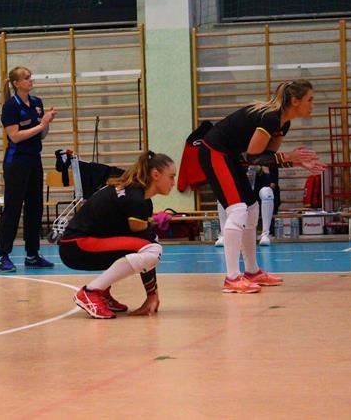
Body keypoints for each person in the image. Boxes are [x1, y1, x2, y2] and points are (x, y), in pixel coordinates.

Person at [199, 80, 325, 293]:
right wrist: (289, 157)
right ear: (295, 101)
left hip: (230, 156)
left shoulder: (283, 123)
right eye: (310, 99)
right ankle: (232, 278)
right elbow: (253, 156)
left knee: (252, 208)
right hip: (215, 153)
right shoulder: (270, 118)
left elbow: (265, 158)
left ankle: (252, 271)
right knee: (238, 210)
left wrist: (294, 161)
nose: (313, 104)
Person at [59, 151, 175, 319]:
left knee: (148, 245)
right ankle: (90, 292)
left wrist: (151, 295)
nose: (173, 183)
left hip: (79, 244)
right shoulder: (136, 200)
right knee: (152, 249)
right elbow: (147, 245)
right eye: (171, 177)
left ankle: (103, 292)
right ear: (156, 175)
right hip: (77, 246)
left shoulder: (135, 193)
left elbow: (141, 242)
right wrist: (152, 294)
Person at [0, 66, 56, 273]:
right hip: (16, 163)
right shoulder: (10, 106)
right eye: (26, 78)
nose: (31, 80)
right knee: (13, 208)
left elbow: (41, 135)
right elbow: (15, 136)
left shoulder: (37, 103)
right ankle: (3, 256)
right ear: (16, 83)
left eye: (31, 77)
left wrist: (46, 123)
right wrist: (41, 124)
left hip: (34, 160)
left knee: (35, 208)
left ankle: (32, 254)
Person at [214, 166, 279, 247]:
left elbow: (271, 183)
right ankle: (224, 235)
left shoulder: (264, 162)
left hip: (256, 194)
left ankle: (265, 234)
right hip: (238, 192)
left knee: (267, 192)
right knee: (222, 194)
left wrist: (262, 171)